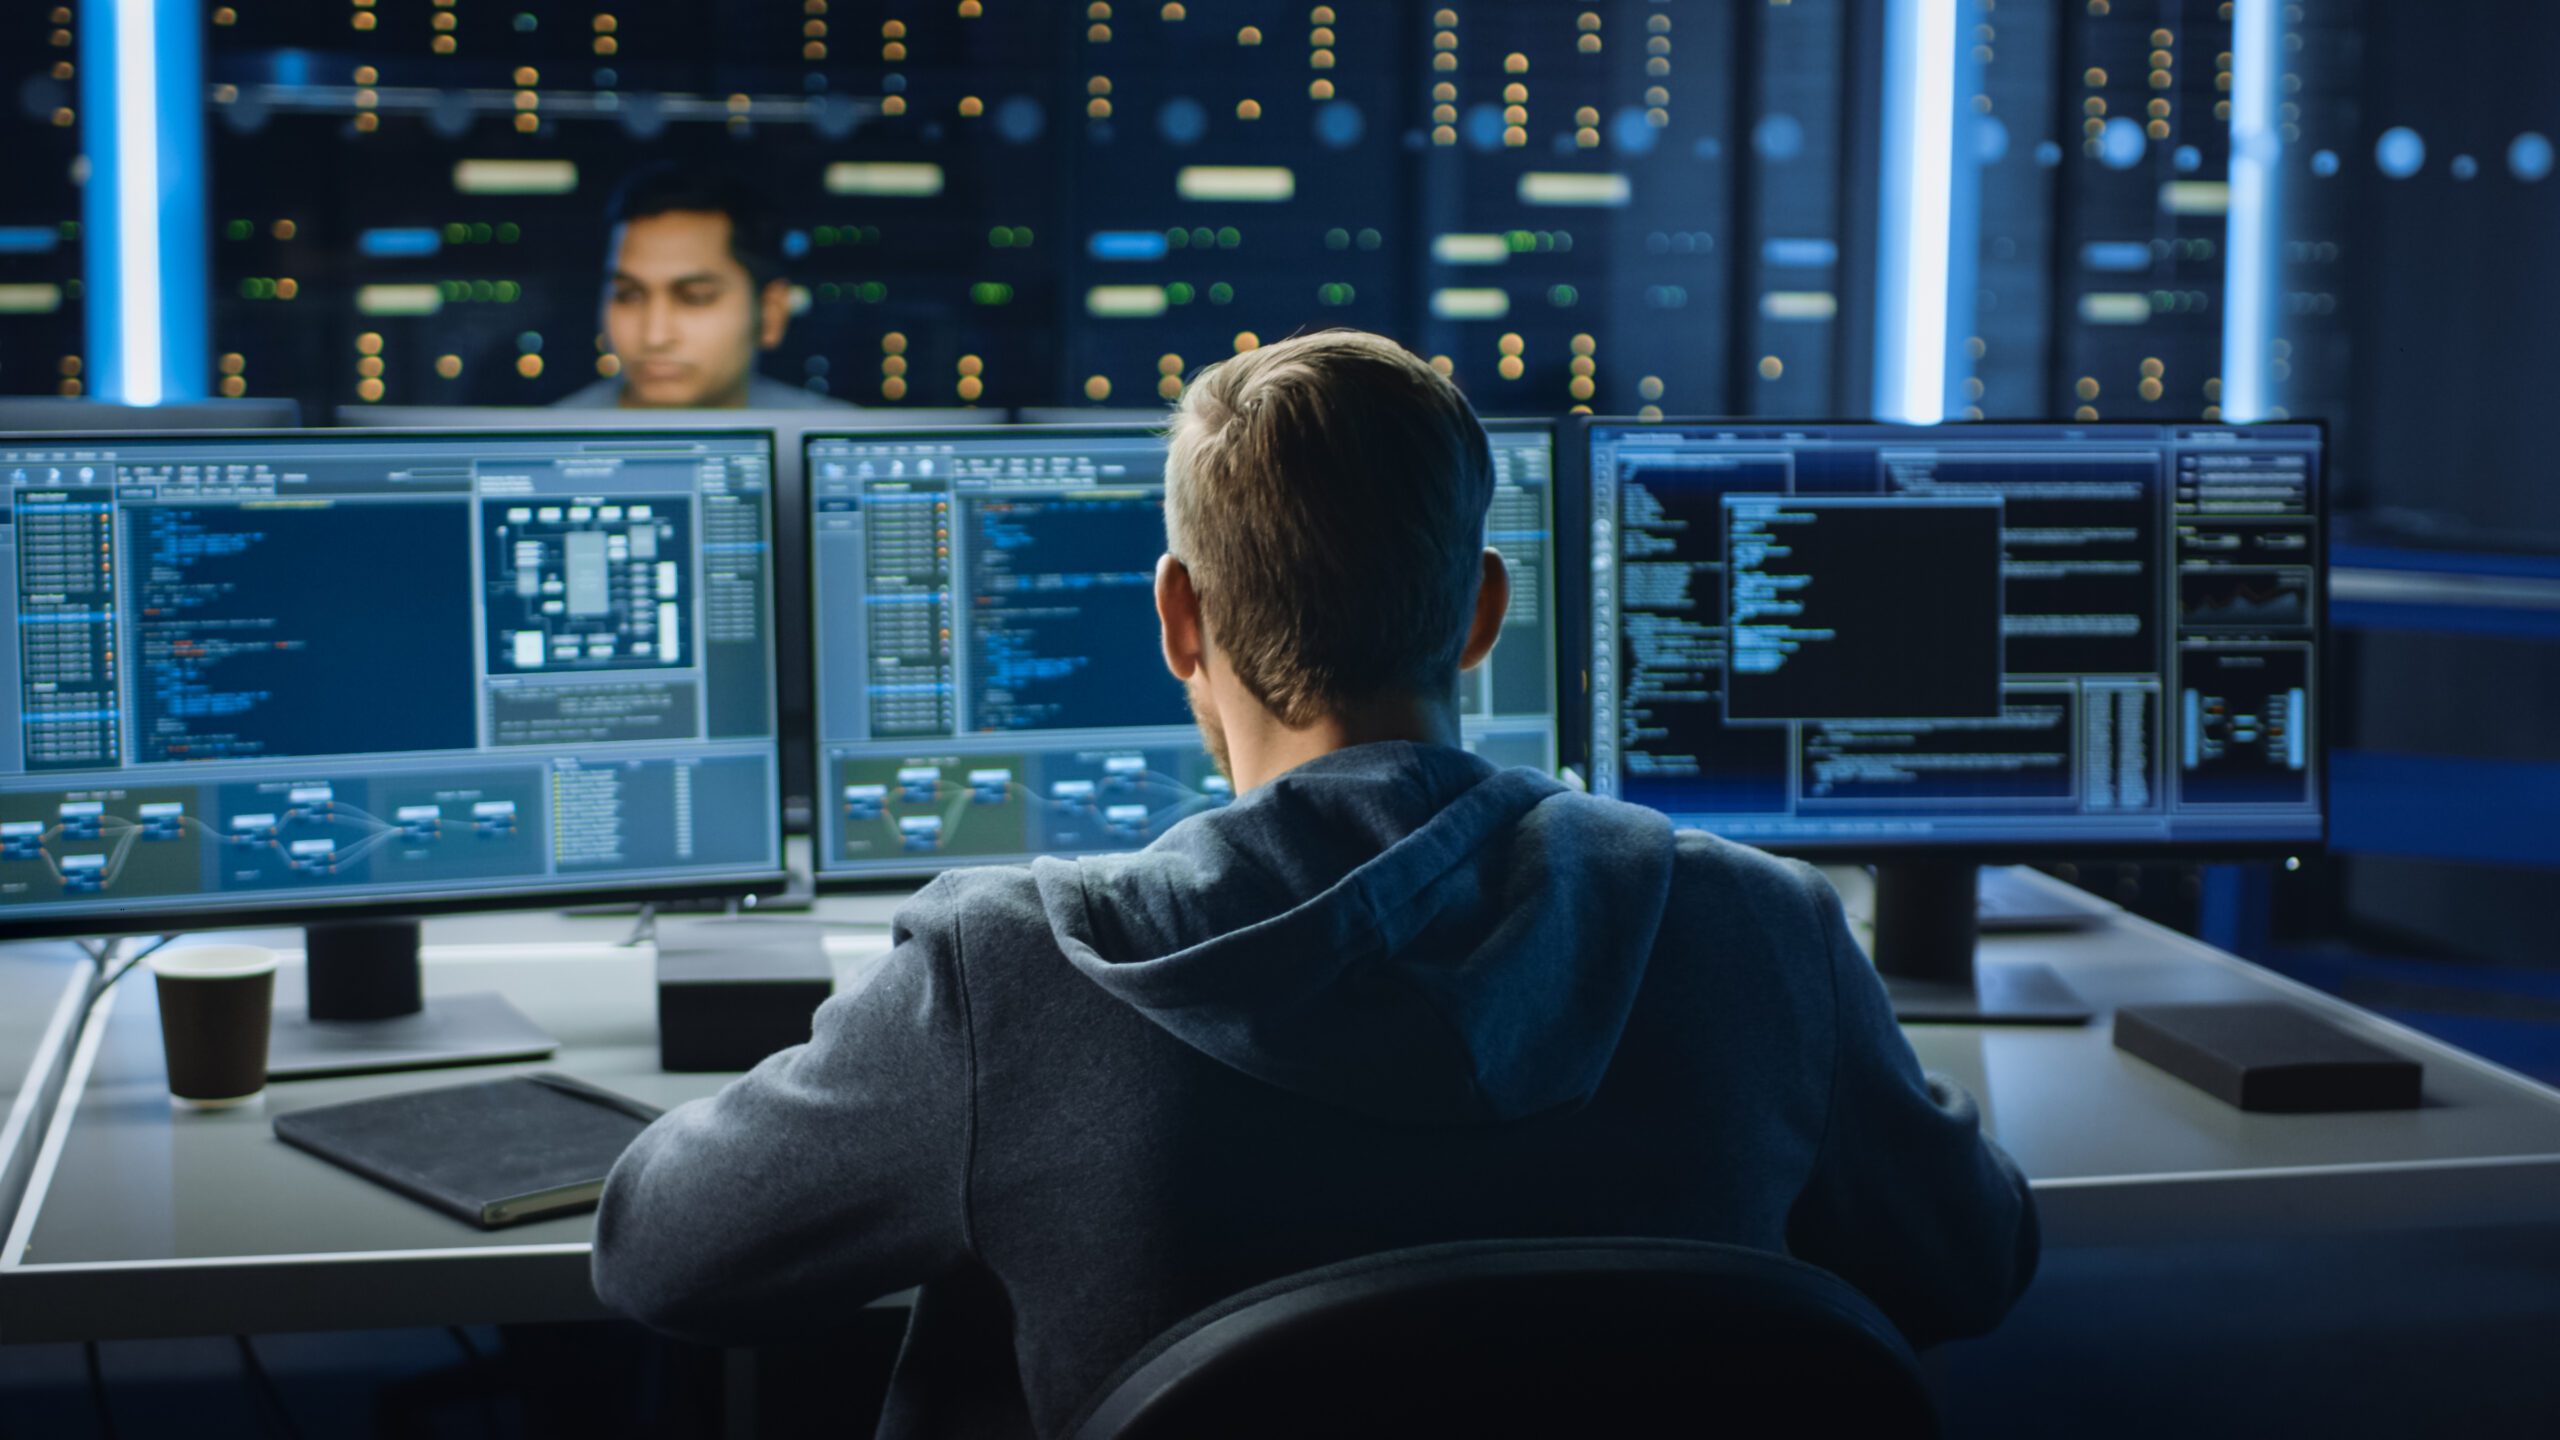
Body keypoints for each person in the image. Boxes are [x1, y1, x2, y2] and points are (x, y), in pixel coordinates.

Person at [592, 330, 2037, 1438]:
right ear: (1482, 615)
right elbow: (1972, 1267)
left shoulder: (1009, 978)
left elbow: (661, 1260)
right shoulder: (1757, 930)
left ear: (1177, 620)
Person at [555, 162, 850, 410]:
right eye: (628, 295)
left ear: (771, 313)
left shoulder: (837, 439)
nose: (655, 336)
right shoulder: (548, 442)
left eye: (695, 298)